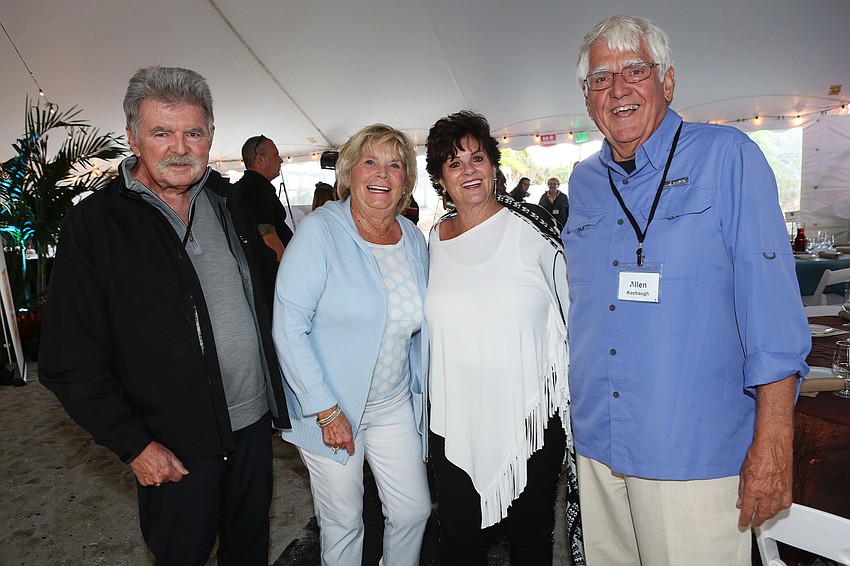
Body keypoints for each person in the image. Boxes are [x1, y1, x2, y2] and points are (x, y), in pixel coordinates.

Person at [564, 15, 810, 565]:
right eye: (601, 78)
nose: (618, 89)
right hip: (599, 444)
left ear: (667, 81)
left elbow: (771, 313)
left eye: (635, 70)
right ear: (587, 98)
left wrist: (774, 440)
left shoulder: (728, 157)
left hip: (691, 454)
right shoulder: (584, 182)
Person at [38, 66, 290, 565]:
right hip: (172, 446)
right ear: (133, 138)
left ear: (211, 136)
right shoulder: (94, 226)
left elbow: (270, 295)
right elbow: (68, 362)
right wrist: (134, 446)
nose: (180, 148)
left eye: (193, 133)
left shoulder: (228, 203)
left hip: (252, 429)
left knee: (249, 553)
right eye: (161, 133)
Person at [424, 110, 584, 566]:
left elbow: (574, 318)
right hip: (455, 419)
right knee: (459, 544)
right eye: (454, 163)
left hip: (529, 420)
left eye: (477, 158)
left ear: (494, 166)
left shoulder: (534, 230)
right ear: (441, 180)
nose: (468, 171)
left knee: (531, 541)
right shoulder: (432, 241)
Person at [273, 124, 431, 566]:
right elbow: (288, 326)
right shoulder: (320, 232)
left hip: (393, 404)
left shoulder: (413, 238)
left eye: (394, 165)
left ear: (406, 179)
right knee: (344, 523)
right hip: (331, 408)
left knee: (413, 510)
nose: (382, 173)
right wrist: (324, 408)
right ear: (349, 172)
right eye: (370, 162)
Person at [235, 134, 293, 261]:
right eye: (275, 155)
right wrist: (285, 268)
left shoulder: (248, 186)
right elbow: (268, 238)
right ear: (260, 159)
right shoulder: (257, 188)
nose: (280, 160)